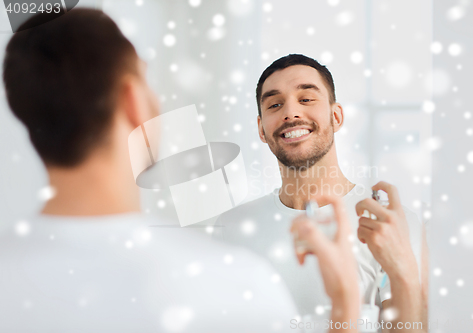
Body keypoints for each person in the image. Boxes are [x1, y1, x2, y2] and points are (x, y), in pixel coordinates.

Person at [0, 9, 362, 332]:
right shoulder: (234, 282)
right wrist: (345, 307)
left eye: (307, 97)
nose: (291, 112)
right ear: (134, 101)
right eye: (146, 80)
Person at [214, 54, 426, 331]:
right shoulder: (231, 228)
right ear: (261, 129)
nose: (291, 113)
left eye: (306, 99)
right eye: (275, 104)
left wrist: (404, 274)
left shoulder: (391, 225)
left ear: (336, 116)